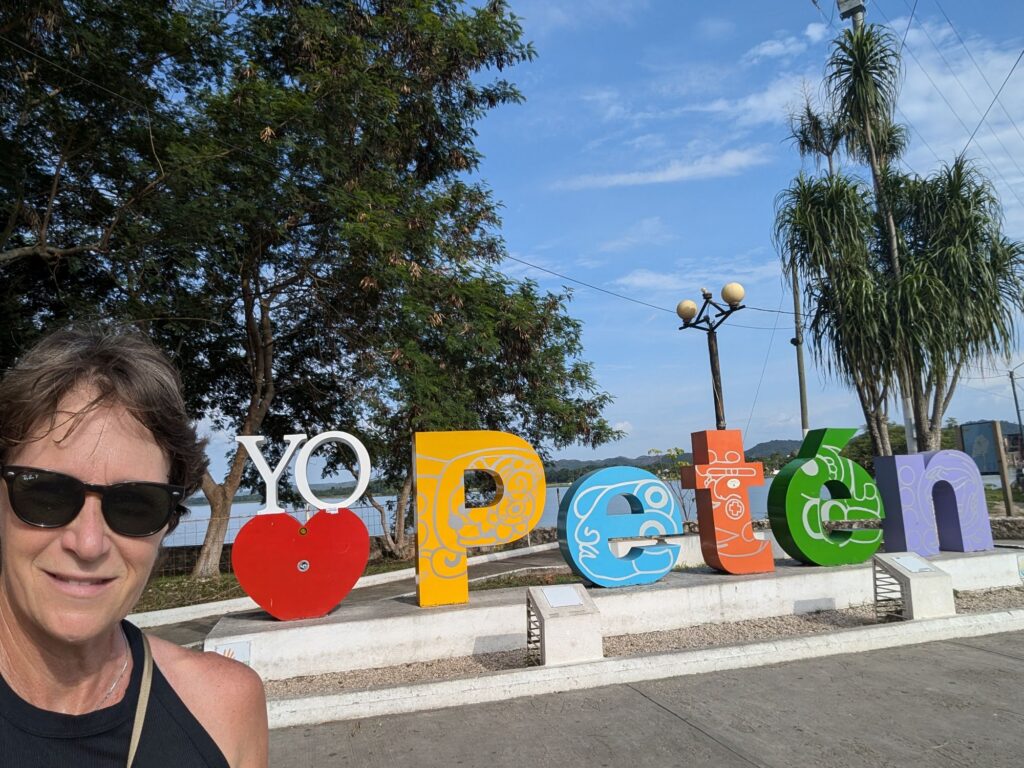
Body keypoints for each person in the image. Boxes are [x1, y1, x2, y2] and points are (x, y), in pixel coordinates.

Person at [0, 326, 268, 767]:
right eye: (47, 494)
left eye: (134, 505)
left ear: (166, 524)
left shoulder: (223, 710)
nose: (88, 543)